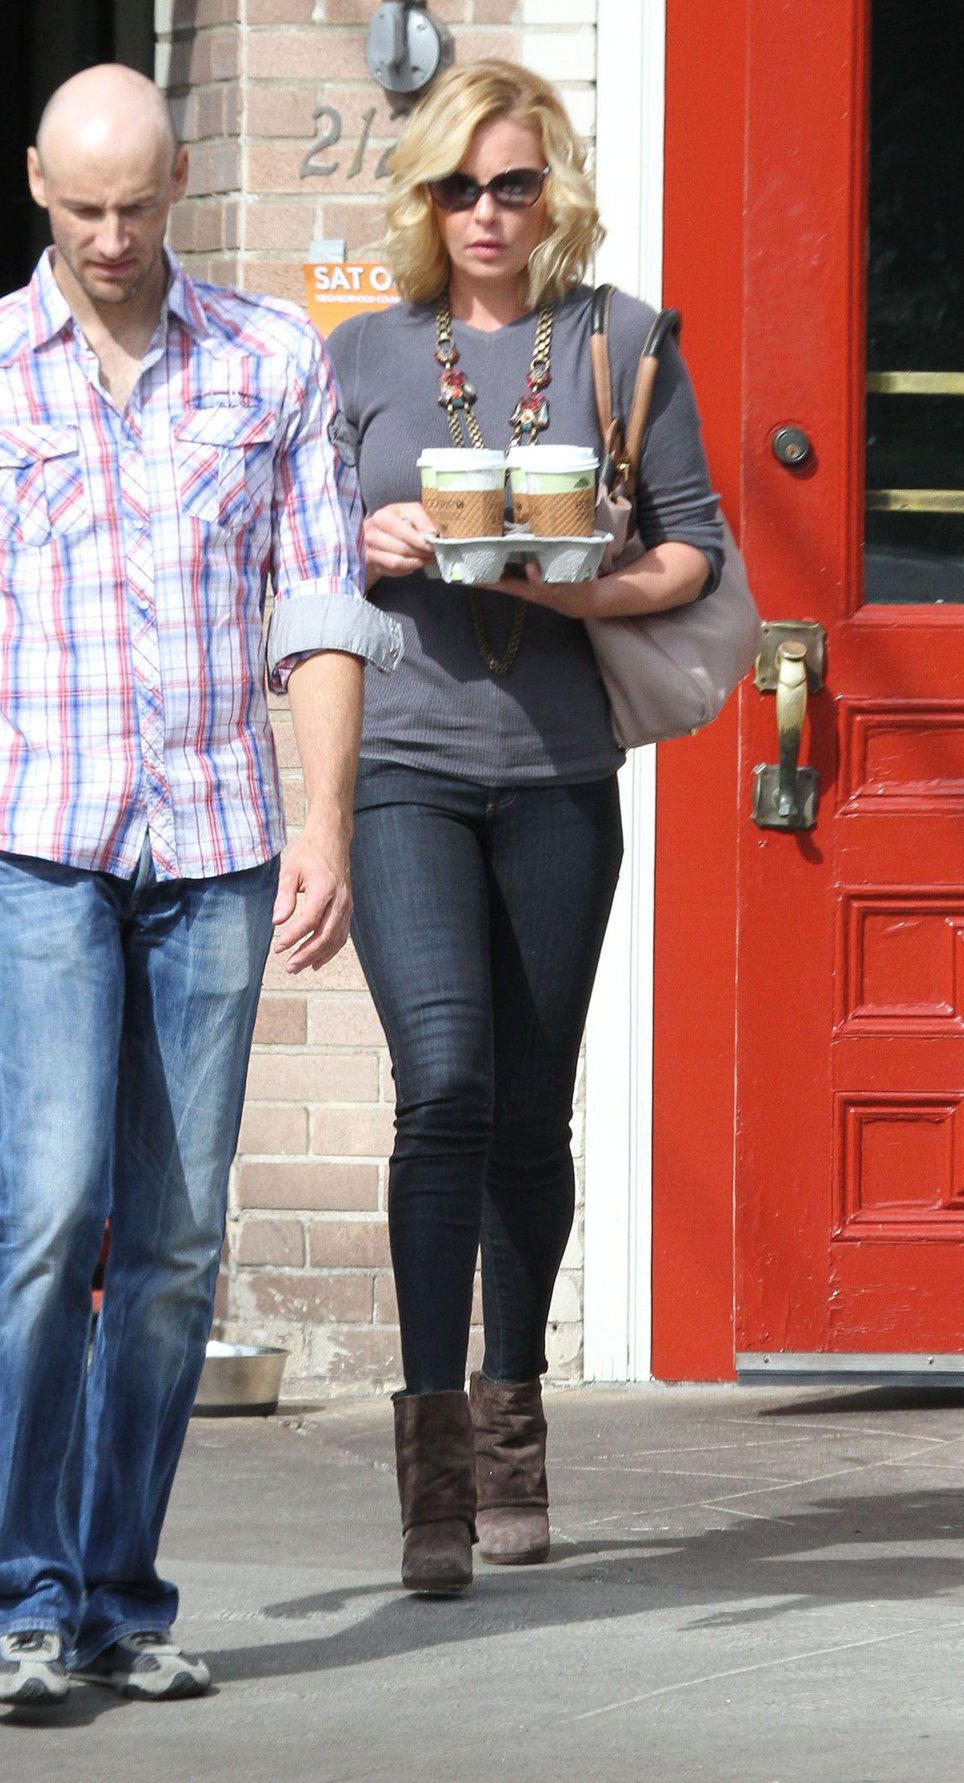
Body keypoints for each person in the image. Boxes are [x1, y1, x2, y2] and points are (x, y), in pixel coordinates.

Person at [0, 63, 399, 1707]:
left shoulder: (269, 361)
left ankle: (114, 1596)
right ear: (33, 181)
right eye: (82, 206)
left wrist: (325, 823)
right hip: (30, 842)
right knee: (51, 1212)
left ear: (179, 189)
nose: (108, 236)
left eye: (138, 205)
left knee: (169, 1238)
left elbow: (319, 606)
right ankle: (19, 1595)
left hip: (216, 844)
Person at [325, 59, 724, 1596]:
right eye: (455, 187)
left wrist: (555, 587)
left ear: (550, 188)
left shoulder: (617, 343)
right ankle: (430, 1463)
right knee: (443, 1082)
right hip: (404, 762)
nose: (485, 213)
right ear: (421, 200)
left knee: (527, 1117)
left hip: (557, 766)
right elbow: (297, 558)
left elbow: (690, 554)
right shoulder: (360, 354)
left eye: (511, 183)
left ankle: (513, 1417)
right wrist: (364, 539)